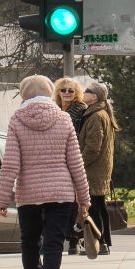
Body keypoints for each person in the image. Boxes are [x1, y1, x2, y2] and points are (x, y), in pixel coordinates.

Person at [0, 75, 90, 269]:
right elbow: (75, 161)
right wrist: (84, 197)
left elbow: (11, 164)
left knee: (29, 243)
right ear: (50, 93)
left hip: (29, 194)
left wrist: (1, 199)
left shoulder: (16, 120)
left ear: (24, 94)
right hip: (61, 193)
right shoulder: (64, 119)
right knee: (53, 245)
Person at [78, 81, 119, 256]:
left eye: (86, 91)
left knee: (95, 206)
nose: (83, 92)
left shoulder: (96, 116)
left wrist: (78, 164)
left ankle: (101, 242)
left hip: (93, 170)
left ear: (94, 97)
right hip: (99, 170)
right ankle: (104, 242)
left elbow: (93, 148)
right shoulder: (99, 113)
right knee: (99, 205)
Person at [52, 77, 88, 255]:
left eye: (70, 91)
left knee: (74, 202)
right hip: (57, 161)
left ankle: (74, 238)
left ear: (76, 94)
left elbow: (82, 137)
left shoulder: (80, 110)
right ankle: (64, 237)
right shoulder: (54, 110)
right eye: (63, 90)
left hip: (74, 159)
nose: (66, 93)